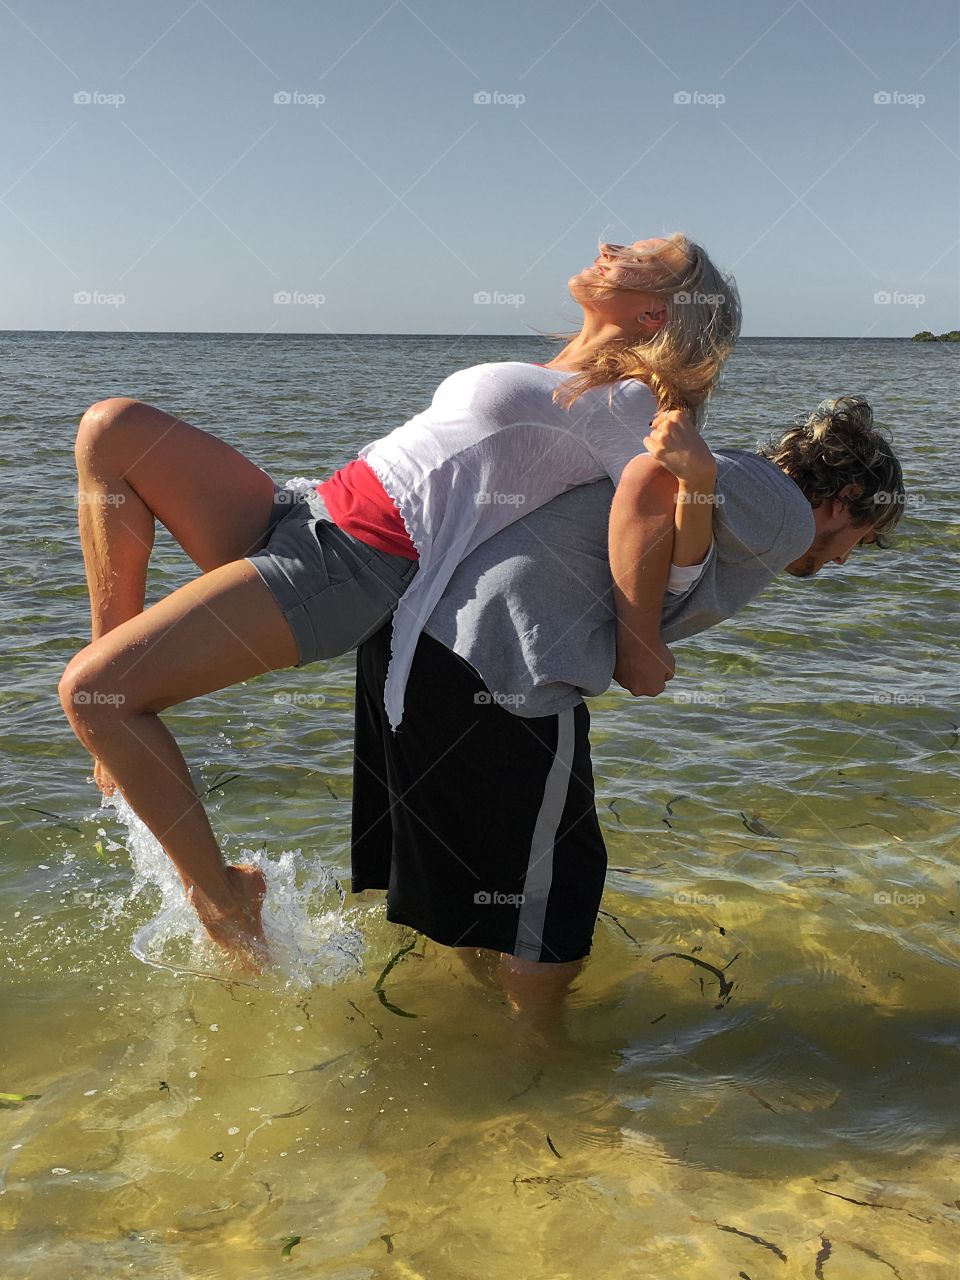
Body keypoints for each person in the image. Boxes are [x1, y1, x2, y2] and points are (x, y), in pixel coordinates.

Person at [58, 234, 739, 962]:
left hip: (354, 563)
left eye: (646, 254)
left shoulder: (626, 403)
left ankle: (225, 901)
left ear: (654, 316)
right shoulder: (557, 376)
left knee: (94, 693)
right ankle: (113, 666)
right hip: (307, 509)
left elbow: (660, 527)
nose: (611, 244)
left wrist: (693, 492)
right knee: (112, 427)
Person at [350, 397, 906, 1033]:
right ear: (846, 498)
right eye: (865, 538)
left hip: (417, 641)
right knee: (559, 892)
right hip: (508, 652)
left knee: (479, 875)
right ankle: (542, 1059)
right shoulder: (781, 504)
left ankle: (476, 1040)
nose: (844, 559)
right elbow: (650, 479)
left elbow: (673, 511)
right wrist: (639, 641)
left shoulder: (742, 497)